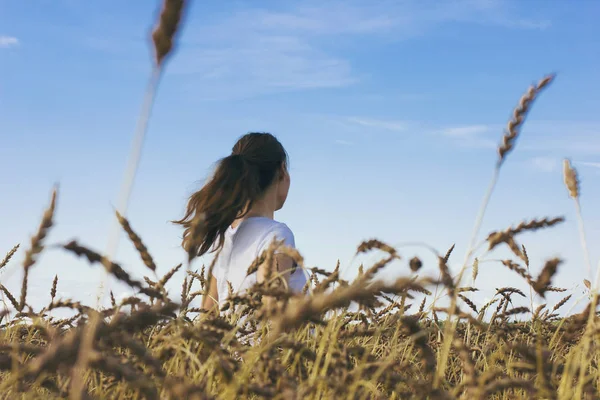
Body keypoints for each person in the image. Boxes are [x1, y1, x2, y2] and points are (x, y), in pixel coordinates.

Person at [173, 132, 307, 313]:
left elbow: (206, 317)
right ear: (282, 171)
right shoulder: (276, 235)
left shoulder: (224, 241)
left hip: (232, 342)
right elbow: (272, 313)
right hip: (266, 342)